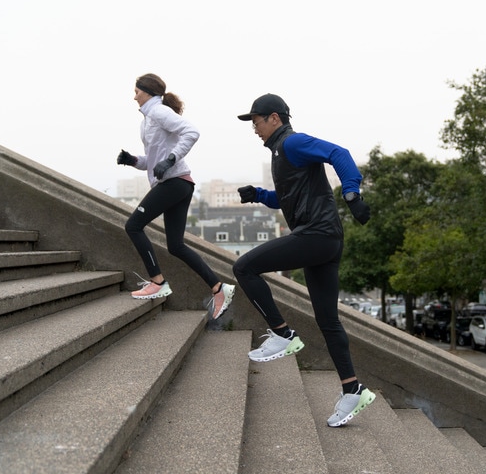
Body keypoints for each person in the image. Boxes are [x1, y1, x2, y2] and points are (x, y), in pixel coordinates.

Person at [233, 93, 375, 427]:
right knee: (328, 320)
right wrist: (260, 196)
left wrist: (352, 192)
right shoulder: (281, 153)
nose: (254, 128)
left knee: (244, 267)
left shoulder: (293, 143)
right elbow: (290, 198)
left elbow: (338, 153)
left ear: (275, 119)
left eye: (256, 121)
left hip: (317, 235)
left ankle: (282, 334)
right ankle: (352, 389)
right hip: (325, 240)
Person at [117, 73, 235, 319]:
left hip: (174, 183)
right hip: (180, 184)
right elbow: (153, 160)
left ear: (147, 92)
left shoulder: (158, 112)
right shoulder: (148, 120)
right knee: (176, 245)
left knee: (134, 225)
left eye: (136, 91)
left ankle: (157, 283)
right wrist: (133, 161)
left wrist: (171, 159)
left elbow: (191, 132)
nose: (134, 96)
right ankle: (219, 288)